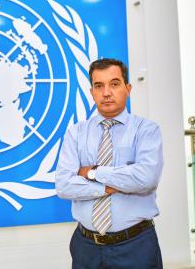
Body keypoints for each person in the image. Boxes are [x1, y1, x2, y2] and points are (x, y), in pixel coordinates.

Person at [56, 58, 163, 269]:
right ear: (92, 92)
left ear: (128, 88)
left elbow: (146, 178)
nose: (106, 92)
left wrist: (93, 173)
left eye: (114, 84)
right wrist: (111, 186)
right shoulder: (76, 133)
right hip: (86, 247)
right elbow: (64, 186)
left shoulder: (146, 130)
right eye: (99, 86)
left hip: (136, 246)